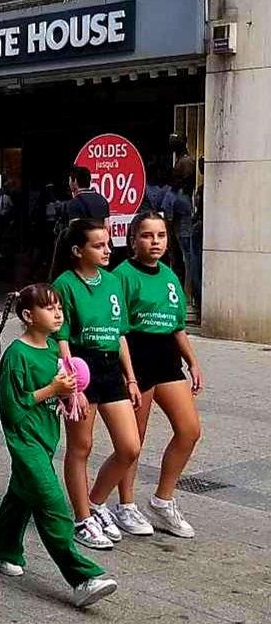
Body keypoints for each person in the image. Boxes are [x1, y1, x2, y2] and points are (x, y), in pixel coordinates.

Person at [0, 284, 119, 607]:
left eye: (59, 307)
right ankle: (82, 578)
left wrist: (73, 394)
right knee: (53, 504)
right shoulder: (17, 355)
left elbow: (63, 389)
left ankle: (0, 548)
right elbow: (12, 409)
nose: (58, 314)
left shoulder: (53, 351)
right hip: (25, 441)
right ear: (28, 316)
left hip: (46, 439)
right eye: (49, 308)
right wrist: (52, 389)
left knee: (21, 496)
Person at [50, 218, 145, 549]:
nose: (107, 250)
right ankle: (82, 520)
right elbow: (61, 335)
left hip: (110, 368)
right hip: (80, 365)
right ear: (78, 251)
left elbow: (120, 334)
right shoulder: (65, 284)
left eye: (108, 244)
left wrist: (130, 378)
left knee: (130, 446)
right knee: (81, 446)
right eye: (99, 245)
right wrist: (72, 385)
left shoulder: (113, 281)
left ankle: (95, 501)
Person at [115, 212, 203, 537]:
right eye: (147, 235)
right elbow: (119, 330)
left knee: (189, 430)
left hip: (167, 358)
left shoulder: (169, 275)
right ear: (133, 240)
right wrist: (128, 375)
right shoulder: (122, 275)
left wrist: (192, 362)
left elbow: (178, 326)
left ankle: (162, 501)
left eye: (161, 235)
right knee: (133, 440)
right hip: (136, 358)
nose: (155, 242)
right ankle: (125, 505)